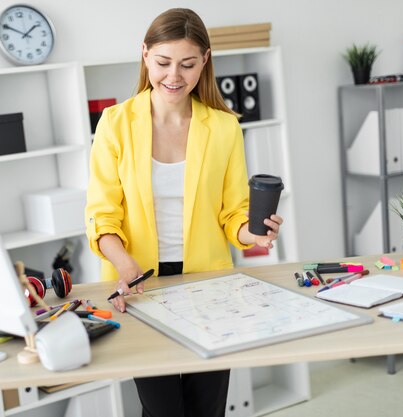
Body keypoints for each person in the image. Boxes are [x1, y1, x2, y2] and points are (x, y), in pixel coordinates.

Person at [84, 7, 283, 417]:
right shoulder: (114, 124)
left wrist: (255, 233)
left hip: (209, 287)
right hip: (141, 286)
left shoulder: (224, 127)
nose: (174, 76)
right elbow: (103, 217)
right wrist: (126, 267)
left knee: (207, 408)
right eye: (163, 63)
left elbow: (233, 216)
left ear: (204, 61)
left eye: (187, 64)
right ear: (144, 54)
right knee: (161, 410)